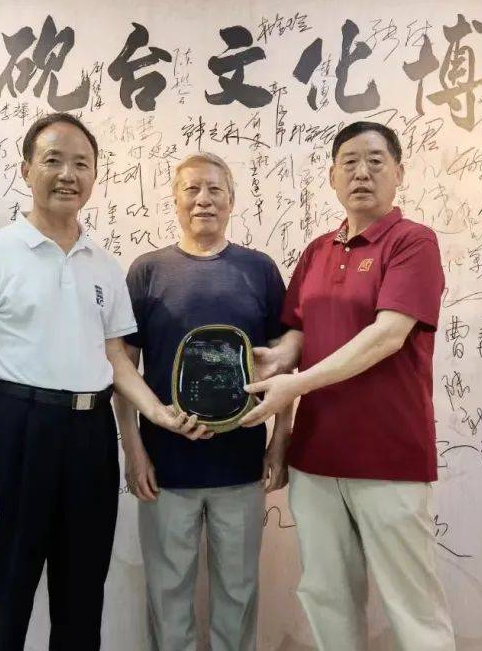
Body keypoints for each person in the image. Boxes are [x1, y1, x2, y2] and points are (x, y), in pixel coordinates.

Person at [0, 112, 207, 651]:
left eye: (81, 164)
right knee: (2, 600)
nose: (68, 174)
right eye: (54, 161)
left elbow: (114, 357)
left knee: (82, 601)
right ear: (26, 170)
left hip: (90, 438)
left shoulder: (104, 266)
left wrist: (157, 412)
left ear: (94, 176)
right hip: (15, 431)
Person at [242, 122, 455, 650]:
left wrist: (297, 383)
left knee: (412, 607)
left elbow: (387, 335)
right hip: (316, 458)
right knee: (327, 597)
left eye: (376, 161)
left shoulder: (413, 241)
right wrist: (280, 361)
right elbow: (298, 329)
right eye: (350, 162)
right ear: (333, 177)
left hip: (390, 457)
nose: (362, 172)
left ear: (399, 173)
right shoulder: (317, 250)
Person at [116, 152, 290, 651]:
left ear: (232, 200)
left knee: (238, 594)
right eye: (191, 189)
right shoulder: (147, 272)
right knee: (167, 595)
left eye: (215, 189)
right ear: (175, 200)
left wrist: (280, 440)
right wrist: (134, 449)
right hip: (165, 468)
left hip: (241, 465)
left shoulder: (259, 270)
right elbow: (122, 369)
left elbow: (283, 363)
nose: (203, 200)